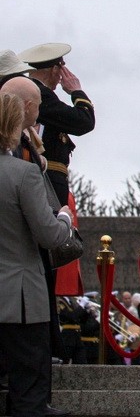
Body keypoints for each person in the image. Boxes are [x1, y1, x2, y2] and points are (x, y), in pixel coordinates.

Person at [0, 92, 73, 416]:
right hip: (20, 297)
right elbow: (49, 235)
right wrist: (65, 220)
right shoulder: (23, 173)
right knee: (28, 395)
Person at [17, 43, 95, 207]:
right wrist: (77, 92)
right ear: (55, 69)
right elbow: (83, 122)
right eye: (62, 67)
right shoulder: (38, 93)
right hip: (45, 182)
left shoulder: (35, 92)